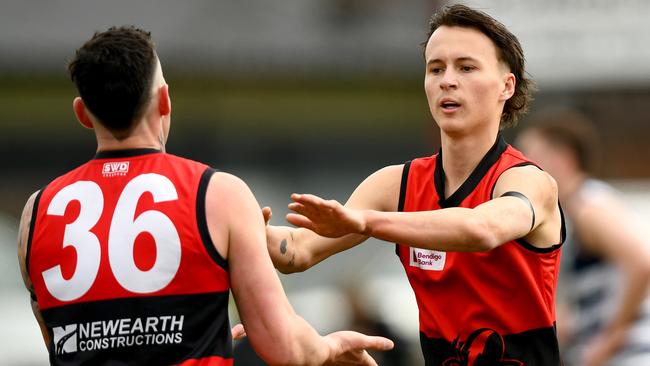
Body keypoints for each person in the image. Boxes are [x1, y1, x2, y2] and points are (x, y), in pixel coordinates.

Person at [16, 26, 393, 365]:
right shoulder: (218, 194)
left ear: (82, 113)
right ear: (164, 101)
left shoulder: (36, 213)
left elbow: (68, 347)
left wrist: (199, 339)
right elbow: (285, 347)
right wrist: (329, 347)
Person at [262, 5, 565, 365]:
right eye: (436, 68)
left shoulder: (529, 181)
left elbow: (483, 228)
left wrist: (367, 222)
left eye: (466, 68)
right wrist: (227, 219)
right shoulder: (396, 186)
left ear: (506, 86)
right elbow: (296, 252)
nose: (447, 80)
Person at [516, 108, 650, 366]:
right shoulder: (577, 210)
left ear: (563, 158)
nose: (522, 166)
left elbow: (642, 262)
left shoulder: (588, 207)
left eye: (531, 154)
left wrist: (609, 338)